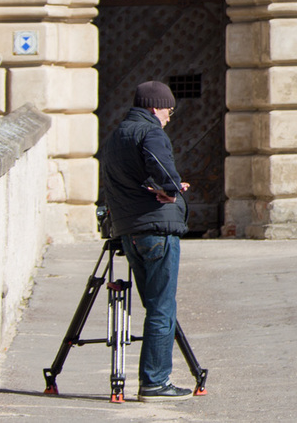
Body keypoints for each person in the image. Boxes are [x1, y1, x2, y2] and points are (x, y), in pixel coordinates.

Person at [96, 81, 194, 401]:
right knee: (161, 308)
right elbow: (164, 172)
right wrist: (173, 187)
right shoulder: (150, 132)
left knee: (154, 306)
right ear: (155, 107)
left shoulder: (115, 137)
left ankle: (154, 377)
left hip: (129, 232)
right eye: (168, 110)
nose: (169, 117)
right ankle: (155, 381)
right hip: (157, 231)